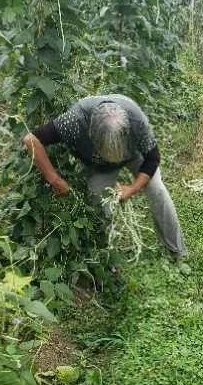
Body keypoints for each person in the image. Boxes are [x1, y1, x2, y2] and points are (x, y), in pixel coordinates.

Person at [22, 95, 187, 261]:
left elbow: (152, 159)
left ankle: (176, 250)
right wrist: (55, 179)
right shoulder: (75, 121)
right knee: (98, 202)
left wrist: (133, 188)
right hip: (100, 167)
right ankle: (104, 253)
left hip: (133, 157)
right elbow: (31, 140)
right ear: (92, 134)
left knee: (157, 189)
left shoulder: (136, 119)